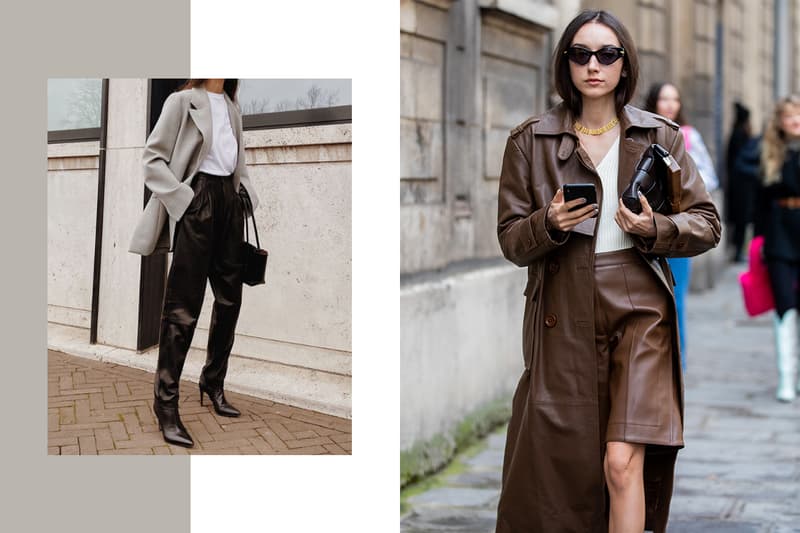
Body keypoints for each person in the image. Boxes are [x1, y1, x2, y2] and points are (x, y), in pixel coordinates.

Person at [495, 10, 720, 532]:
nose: (593, 65)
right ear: (565, 62)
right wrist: (547, 222)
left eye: (607, 54)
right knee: (566, 469)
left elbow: (707, 223)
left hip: (640, 308)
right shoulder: (530, 140)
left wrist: (656, 227)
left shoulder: (659, 136)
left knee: (622, 462)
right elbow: (510, 239)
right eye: (581, 53)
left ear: (625, 63)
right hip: (563, 311)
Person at [129, 79, 261, 447]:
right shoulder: (182, 101)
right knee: (183, 307)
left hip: (228, 204)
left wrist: (244, 195)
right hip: (196, 199)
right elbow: (152, 158)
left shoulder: (233, 108)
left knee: (230, 301)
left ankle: (212, 382)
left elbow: (238, 163)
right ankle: (166, 404)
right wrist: (183, 200)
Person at [643, 82, 719, 368]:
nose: (670, 105)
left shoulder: (687, 135)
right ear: (654, 101)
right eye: (664, 99)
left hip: (676, 227)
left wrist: (682, 185)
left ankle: (678, 361)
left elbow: (710, 179)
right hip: (644, 225)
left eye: (675, 99)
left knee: (676, 298)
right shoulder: (639, 132)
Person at [752, 95, 800, 402]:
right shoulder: (770, 153)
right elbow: (760, 202)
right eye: (790, 115)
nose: (796, 120)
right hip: (780, 235)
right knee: (784, 304)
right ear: (780, 121)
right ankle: (786, 377)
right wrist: (758, 243)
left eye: (799, 114)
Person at [725, 102, 756, 262]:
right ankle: (737, 251)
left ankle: (738, 250)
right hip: (741, 185)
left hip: (739, 184)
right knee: (741, 218)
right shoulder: (740, 134)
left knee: (741, 218)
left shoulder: (737, 133)